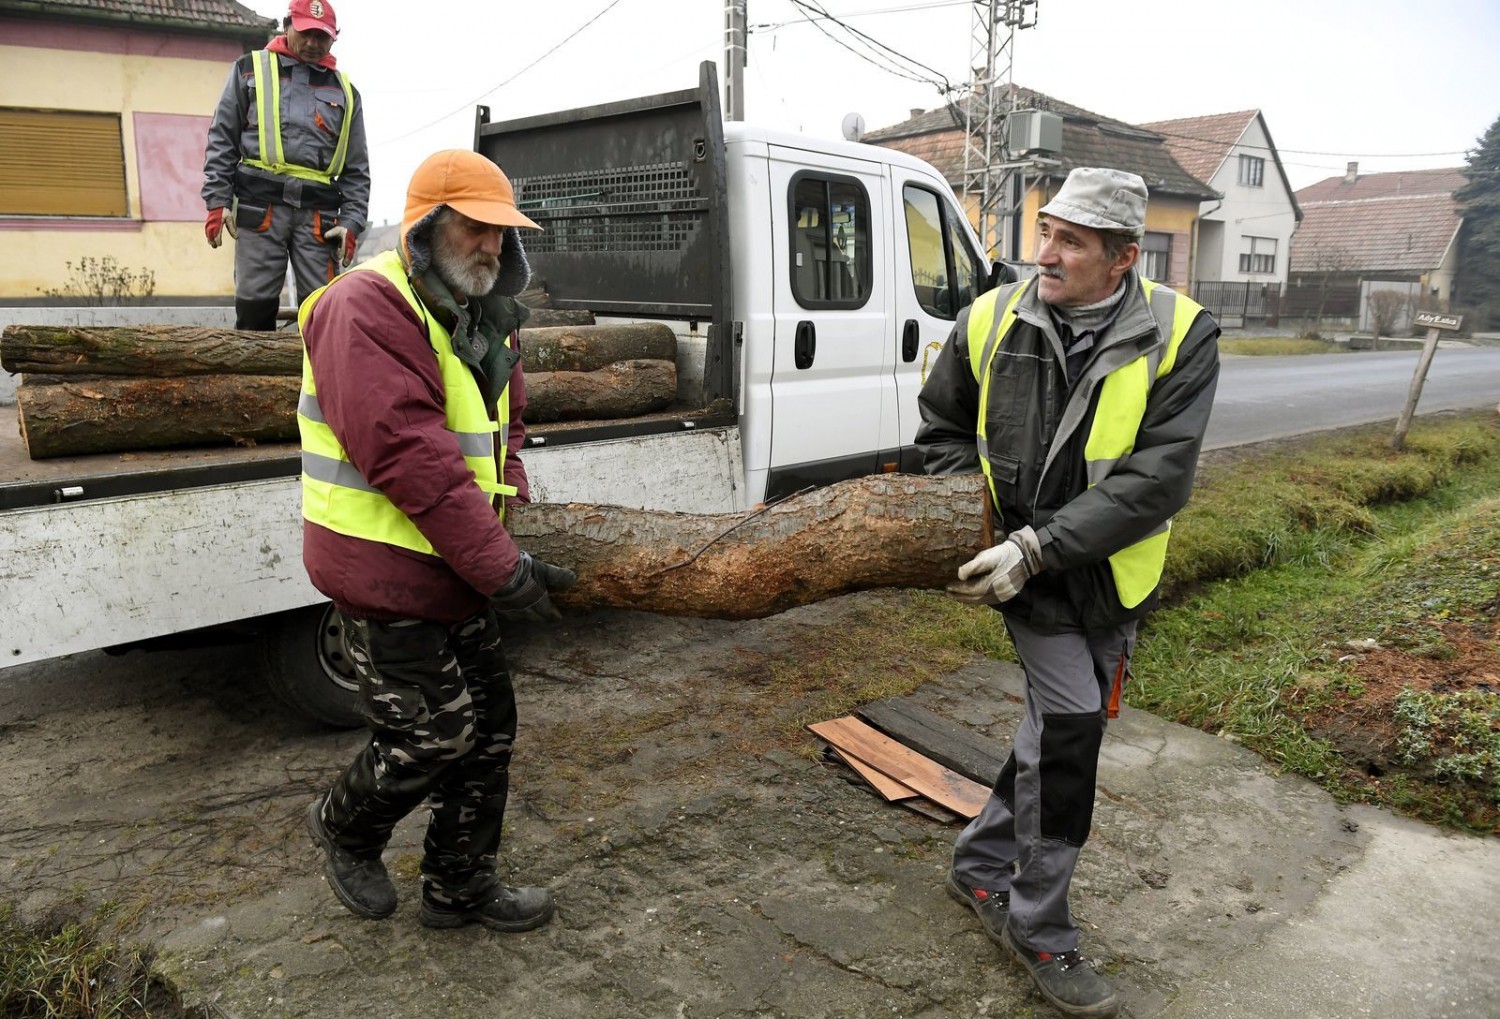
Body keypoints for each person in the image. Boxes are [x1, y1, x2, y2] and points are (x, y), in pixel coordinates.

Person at [916, 166, 1220, 1018]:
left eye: (1070, 242)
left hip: (1108, 575)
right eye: (1045, 231)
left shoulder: (1183, 334)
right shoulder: (990, 316)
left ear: (1123, 259)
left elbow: (1160, 479)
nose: (1044, 252)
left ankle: (978, 867)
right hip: (1027, 582)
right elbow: (940, 428)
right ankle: (1038, 924)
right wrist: (978, 531)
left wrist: (1039, 545)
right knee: (1074, 727)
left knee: (1054, 728)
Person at [297, 148, 576, 932]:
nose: (491, 245)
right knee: (435, 733)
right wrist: (502, 565)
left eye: (501, 232)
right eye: (474, 228)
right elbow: (409, 457)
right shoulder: (364, 308)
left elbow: (502, 425)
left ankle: (459, 888)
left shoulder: (481, 315)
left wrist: (511, 497)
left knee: (489, 733)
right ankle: (343, 824)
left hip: (453, 568)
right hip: (384, 572)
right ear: (425, 229)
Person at [202, 0, 370, 330]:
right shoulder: (248, 70)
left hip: (318, 219)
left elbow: (357, 170)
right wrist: (217, 201)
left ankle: (320, 381)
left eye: (321, 37)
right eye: (305, 33)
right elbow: (221, 138)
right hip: (259, 209)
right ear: (287, 26)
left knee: (324, 311)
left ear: (334, 38)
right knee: (254, 308)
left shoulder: (346, 93)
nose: (312, 43)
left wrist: (351, 222)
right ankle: (255, 380)